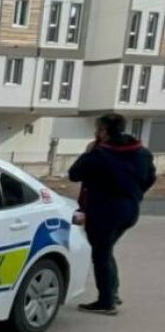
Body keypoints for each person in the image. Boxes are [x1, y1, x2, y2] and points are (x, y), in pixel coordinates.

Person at [68, 113, 156, 315]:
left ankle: (106, 301)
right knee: (106, 250)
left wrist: (87, 152)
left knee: (101, 254)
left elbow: (74, 174)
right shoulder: (141, 152)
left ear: (104, 132)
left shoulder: (100, 155)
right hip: (129, 210)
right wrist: (134, 194)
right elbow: (149, 178)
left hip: (104, 212)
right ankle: (112, 292)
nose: (95, 133)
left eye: (97, 129)